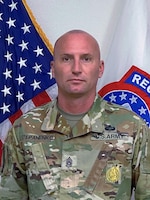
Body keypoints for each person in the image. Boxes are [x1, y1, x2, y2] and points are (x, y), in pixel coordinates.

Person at [0, 29, 150, 200]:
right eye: (66, 59)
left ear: (100, 68)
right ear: (53, 69)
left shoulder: (132, 128)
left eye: (86, 59)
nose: (76, 69)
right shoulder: (24, 128)